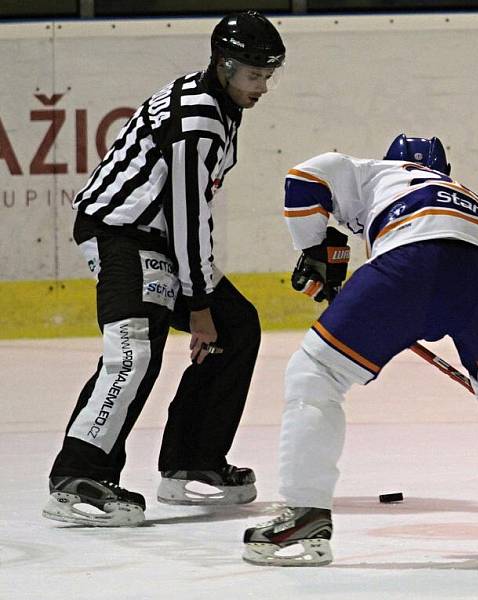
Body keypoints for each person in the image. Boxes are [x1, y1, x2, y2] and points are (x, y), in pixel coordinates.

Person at [241, 135, 478, 566]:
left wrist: (312, 250)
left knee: (315, 374)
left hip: (410, 262)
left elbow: (305, 176)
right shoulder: (473, 206)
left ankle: (305, 509)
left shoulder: (379, 172)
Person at [43, 11, 286, 527]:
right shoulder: (199, 119)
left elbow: (187, 213)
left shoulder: (220, 102)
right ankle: (76, 476)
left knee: (237, 327)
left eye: (268, 75)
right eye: (253, 75)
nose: (262, 86)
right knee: (134, 351)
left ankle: (190, 461)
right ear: (223, 66)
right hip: (122, 234)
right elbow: (187, 213)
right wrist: (198, 305)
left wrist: (205, 301)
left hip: (156, 237)